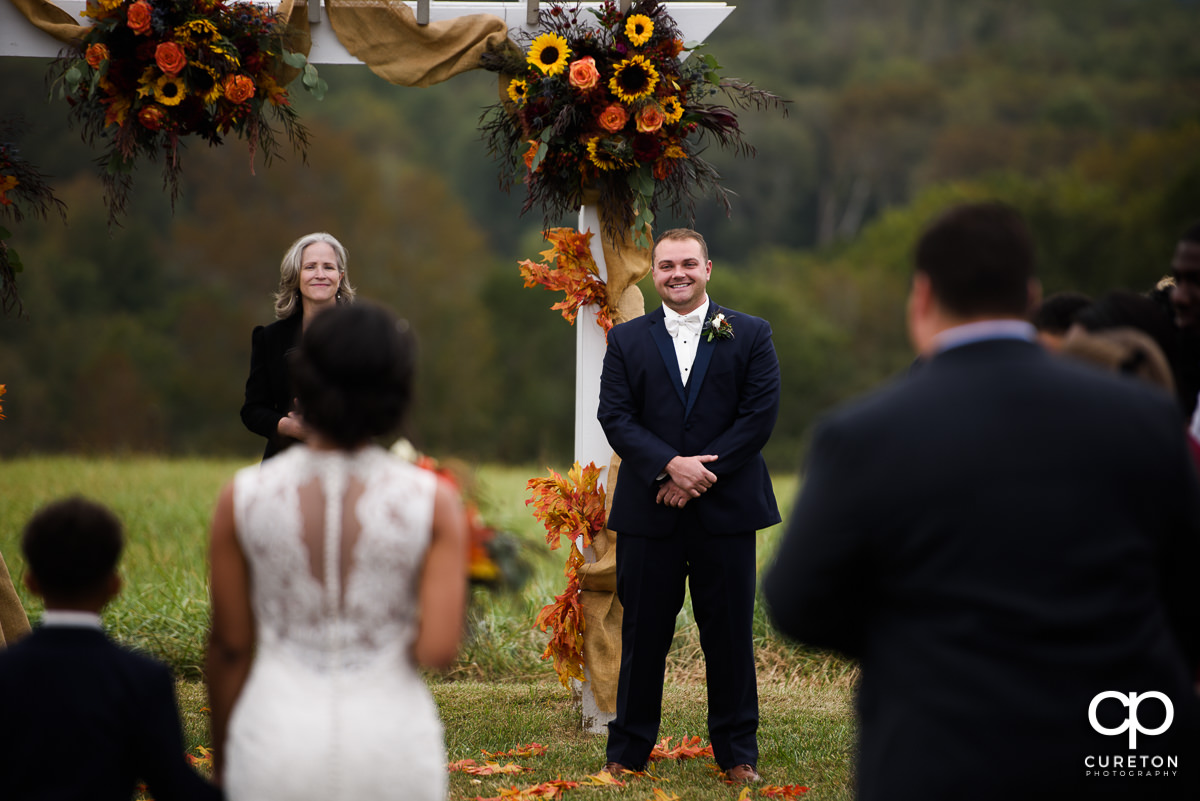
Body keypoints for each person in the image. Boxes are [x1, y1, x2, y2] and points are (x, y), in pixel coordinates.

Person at [763, 202, 1200, 801]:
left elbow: (796, 601)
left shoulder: (863, 433)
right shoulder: (1144, 416)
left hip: (939, 755)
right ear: (1030, 294)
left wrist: (912, 637)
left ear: (921, 297)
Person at [208, 302, 468, 800]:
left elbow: (229, 646)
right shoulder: (431, 500)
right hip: (390, 743)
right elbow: (438, 649)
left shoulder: (241, 498)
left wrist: (224, 764)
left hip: (274, 737)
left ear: (303, 384)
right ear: (397, 389)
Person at [596, 228, 781, 784]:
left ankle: (736, 754)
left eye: (688, 264)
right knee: (643, 634)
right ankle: (627, 752)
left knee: (727, 634)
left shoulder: (750, 333)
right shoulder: (627, 340)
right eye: (666, 265)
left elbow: (758, 417)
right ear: (652, 273)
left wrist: (700, 474)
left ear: (708, 268)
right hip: (650, 510)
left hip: (725, 511)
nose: (677, 273)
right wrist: (669, 465)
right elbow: (616, 416)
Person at [0, 497, 222, 801]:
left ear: (30, 583)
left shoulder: (7, 671)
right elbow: (173, 785)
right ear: (115, 585)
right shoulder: (144, 678)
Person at [240, 232, 357, 460]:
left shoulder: (363, 334)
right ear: (297, 276)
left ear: (340, 276)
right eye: (310, 267)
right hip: (286, 463)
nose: (320, 275)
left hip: (348, 461)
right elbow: (252, 410)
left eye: (328, 267)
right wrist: (290, 427)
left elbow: (382, 403)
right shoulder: (270, 338)